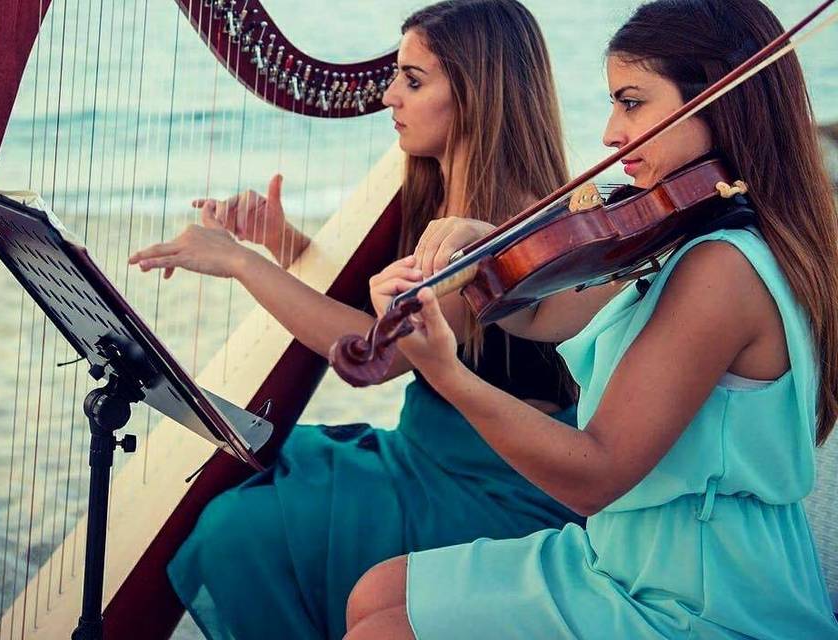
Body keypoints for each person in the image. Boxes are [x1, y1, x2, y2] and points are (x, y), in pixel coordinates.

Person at [346, 0, 838, 637]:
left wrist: (446, 372)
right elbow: (549, 310)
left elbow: (594, 475)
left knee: (382, 630)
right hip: (627, 553)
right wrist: (488, 246)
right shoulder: (691, 231)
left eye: (631, 102)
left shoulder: (722, 268)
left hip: (700, 592)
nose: (609, 132)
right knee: (376, 593)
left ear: (718, 101)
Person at [129, 1, 583, 638]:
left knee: (238, 530)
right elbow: (375, 307)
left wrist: (239, 263)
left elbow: (380, 355)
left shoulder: (502, 225)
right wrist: (281, 242)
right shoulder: (440, 190)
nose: (390, 96)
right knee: (245, 488)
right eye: (397, 76)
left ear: (477, 95)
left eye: (413, 80)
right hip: (427, 454)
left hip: (490, 487)